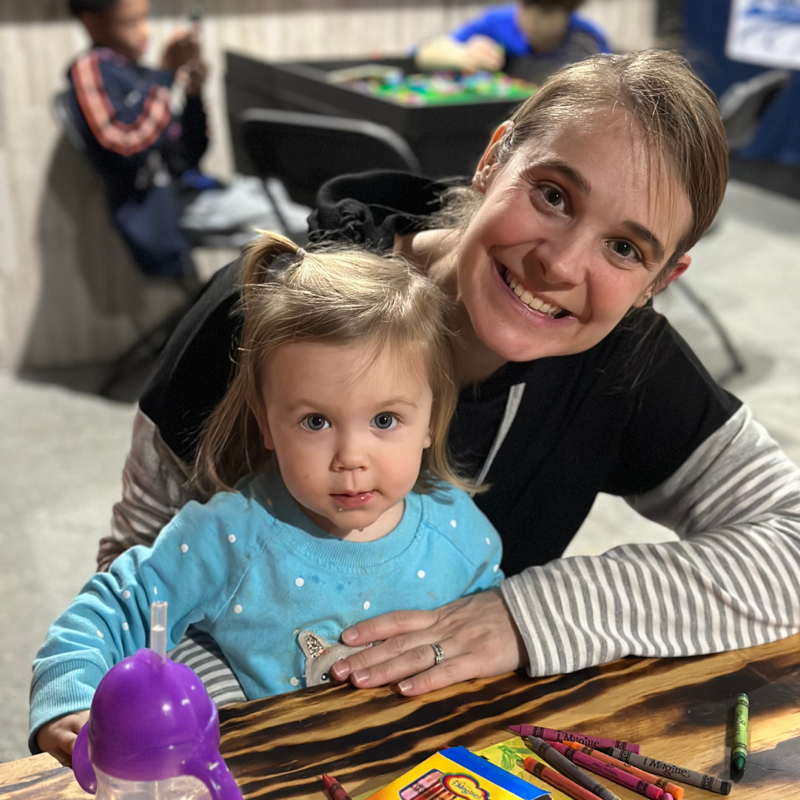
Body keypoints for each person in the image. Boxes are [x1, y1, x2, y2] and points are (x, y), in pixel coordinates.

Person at [99, 50, 800, 701]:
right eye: (553, 195)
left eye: (624, 248)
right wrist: (247, 729)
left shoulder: (626, 356)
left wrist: (527, 614)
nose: (558, 266)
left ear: (660, 280)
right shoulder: (272, 310)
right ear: (494, 160)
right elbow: (132, 584)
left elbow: (790, 541)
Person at [30, 235, 504, 765]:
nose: (352, 456)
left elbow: (484, 648)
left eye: (385, 420)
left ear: (430, 419)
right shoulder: (229, 535)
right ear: (267, 423)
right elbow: (112, 609)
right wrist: (67, 700)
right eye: (316, 421)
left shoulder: (461, 532)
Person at [66, 0, 210, 277]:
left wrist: (193, 96)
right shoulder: (91, 70)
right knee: (293, 221)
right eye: (131, 22)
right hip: (156, 208)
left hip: (189, 192)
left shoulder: (138, 74)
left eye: (145, 19)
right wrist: (166, 72)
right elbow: (128, 145)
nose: (145, 32)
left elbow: (190, 154)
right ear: (91, 23)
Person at [414, 0, 609, 78]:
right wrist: (462, 55)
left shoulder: (586, 39)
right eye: (527, 7)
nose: (533, 22)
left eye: (547, 12)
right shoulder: (498, 23)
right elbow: (424, 54)